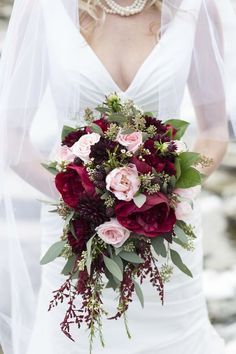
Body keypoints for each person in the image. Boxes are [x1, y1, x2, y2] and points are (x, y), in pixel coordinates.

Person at [0, 0, 236, 353]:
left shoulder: (193, 8)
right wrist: (83, 200)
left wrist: (170, 190)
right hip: (77, 234)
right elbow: (13, 141)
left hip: (166, 230)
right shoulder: (43, 7)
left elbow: (215, 131)